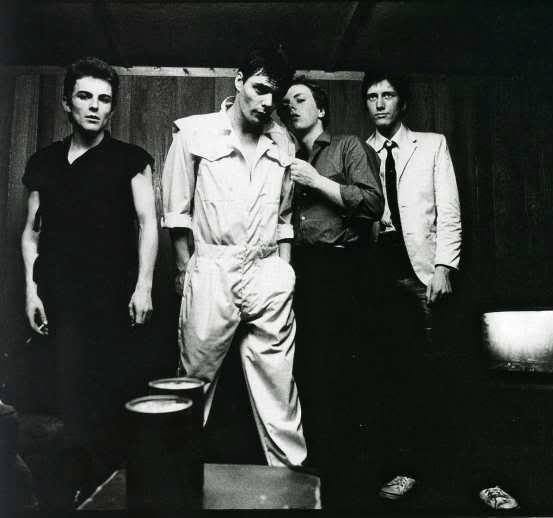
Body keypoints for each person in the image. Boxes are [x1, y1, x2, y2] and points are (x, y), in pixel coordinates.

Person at [21, 57, 158, 506]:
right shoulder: (44, 162)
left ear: (112, 107)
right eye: (85, 96)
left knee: (108, 397)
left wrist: (144, 286)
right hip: (58, 296)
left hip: (111, 298)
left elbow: (148, 224)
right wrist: (31, 291)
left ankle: (106, 495)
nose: (95, 106)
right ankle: (69, 495)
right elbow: (31, 232)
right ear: (67, 103)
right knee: (64, 396)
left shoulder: (130, 160)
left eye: (104, 99)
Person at [161, 45, 306, 468]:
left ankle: (293, 483)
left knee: (278, 386)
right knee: (194, 381)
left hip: (266, 270)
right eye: (260, 89)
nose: (266, 102)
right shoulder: (193, 133)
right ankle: (175, 478)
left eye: (275, 95)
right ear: (239, 81)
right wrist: (185, 270)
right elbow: (176, 212)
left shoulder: (283, 141)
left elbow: (284, 217)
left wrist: (284, 271)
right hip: (212, 268)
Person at [277, 78, 383, 505]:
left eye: (300, 99)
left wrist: (317, 181)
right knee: (305, 373)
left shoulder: (347, 146)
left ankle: (349, 486)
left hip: (343, 272)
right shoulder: (282, 155)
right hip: (297, 271)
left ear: (321, 109)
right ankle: (313, 480)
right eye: (286, 102)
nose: (291, 106)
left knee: (345, 375)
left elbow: (373, 204)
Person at [362, 70, 463, 501]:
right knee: (390, 373)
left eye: (388, 95)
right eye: (372, 96)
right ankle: (404, 469)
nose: (380, 103)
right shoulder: (360, 151)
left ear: (402, 102)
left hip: (423, 272)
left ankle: (453, 471)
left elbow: (449, 211)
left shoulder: (432, 144)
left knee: (437, 372)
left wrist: (444, 268)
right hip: (377, 275)